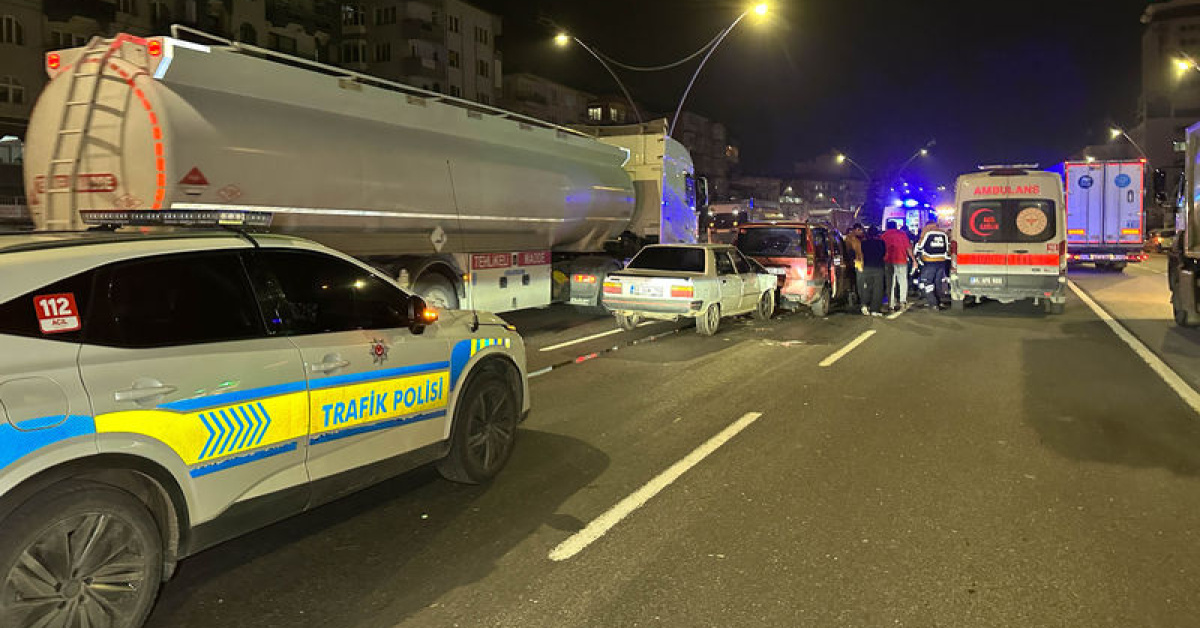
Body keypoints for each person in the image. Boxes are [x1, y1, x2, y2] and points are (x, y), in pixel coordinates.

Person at [914, 220, 951, 310]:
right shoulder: (943, 233)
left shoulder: (927, 232)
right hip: (941, 261)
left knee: (927, 282)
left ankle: (933, 303)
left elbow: (920, 246)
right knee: (938, 282)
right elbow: (947, 248)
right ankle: (939, 301)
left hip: (929, 260)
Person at [882, 220, 915, 311]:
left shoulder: (884, 236)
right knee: (903, 281)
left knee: (890, 283)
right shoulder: (902, 235)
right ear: (896, 226)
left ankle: (891, 303)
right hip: (901, 260)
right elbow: (908, 248)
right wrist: (913, 259)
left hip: (888, 261)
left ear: (887, 227)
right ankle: (903, 301)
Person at [858, 226, 887, 316]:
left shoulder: (864, 243)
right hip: (878, 267)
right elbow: (883, 253)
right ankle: (875, 309)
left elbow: (862, 253)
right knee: (877, 289)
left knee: (867, 288)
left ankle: (865, 305)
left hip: (867, 267)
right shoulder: (881, 243)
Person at [844, 223, 865, 307]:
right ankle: (858, 298)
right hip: (856, 263)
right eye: (860, 231)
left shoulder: (853, 238)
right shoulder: (852, 239)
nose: (861, 232)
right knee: (857, 282)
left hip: (856, 262)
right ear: (856, 230)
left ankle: (856, 297)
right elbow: (853, 252)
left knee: (856, 282)